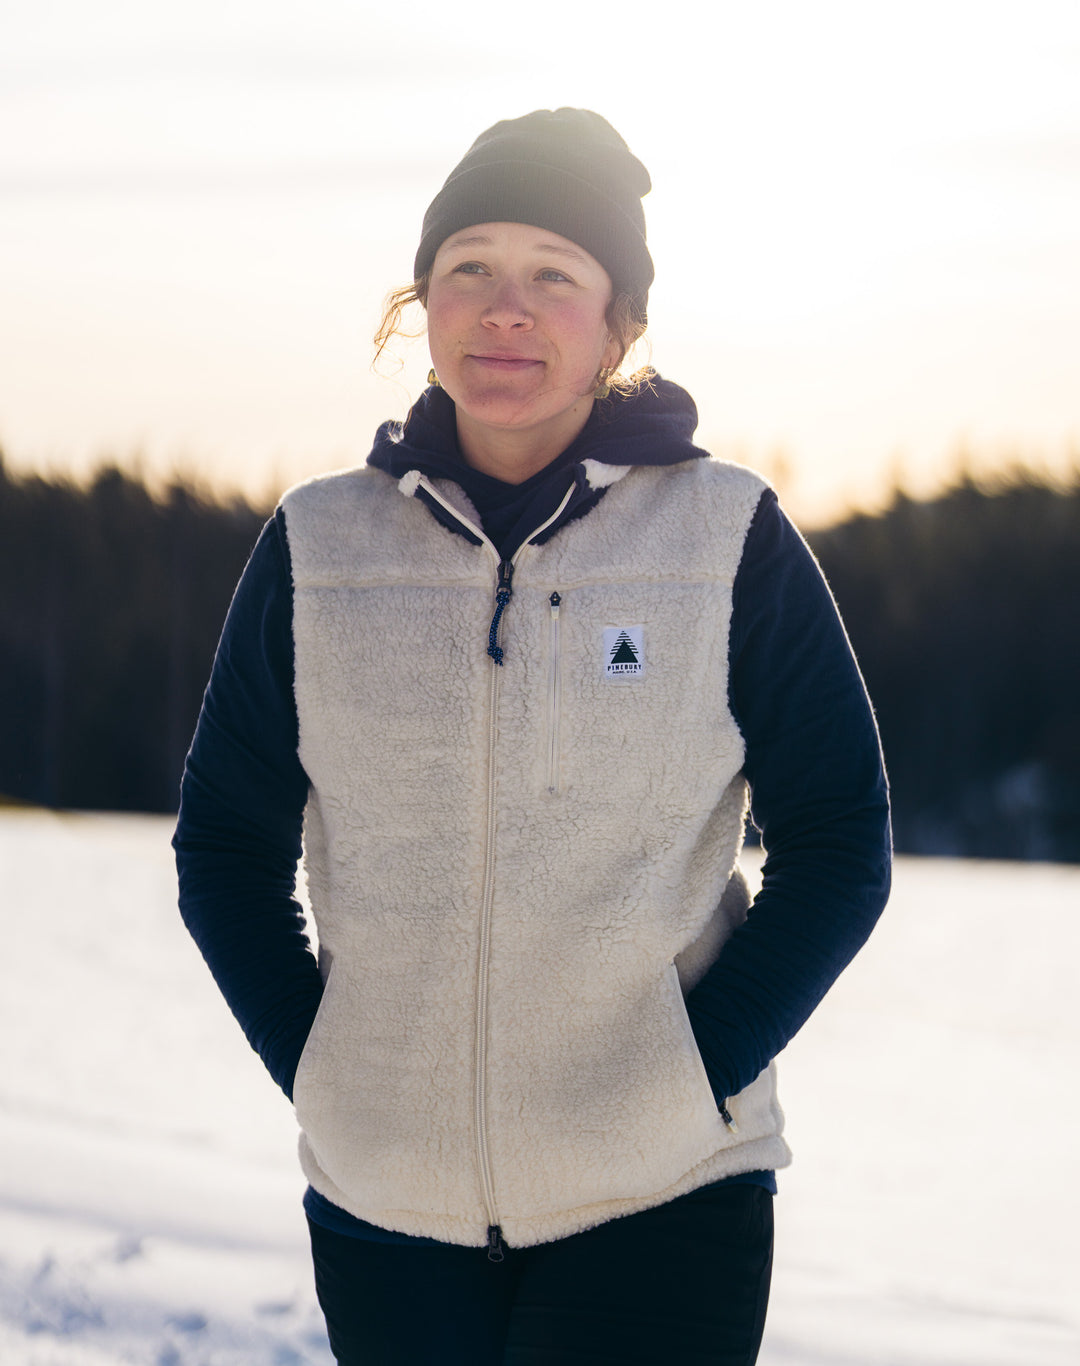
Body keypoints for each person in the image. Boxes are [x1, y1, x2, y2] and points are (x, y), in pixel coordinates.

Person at [174, 108, 891, 1365]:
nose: (505, 307)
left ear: (620, 324)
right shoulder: (317, 546)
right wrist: (328, 1066)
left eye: (553, 275)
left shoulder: (725, 537)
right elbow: (226, 849)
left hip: (662, 1199)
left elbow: (841, 840)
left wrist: (694, 1068)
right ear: (425, 301)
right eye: (471, 269)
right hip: (385, 1216)